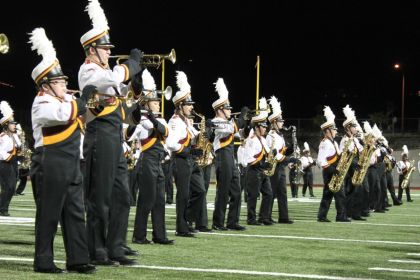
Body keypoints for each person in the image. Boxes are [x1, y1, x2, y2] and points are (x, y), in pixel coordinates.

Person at [79, 0, 141, 265]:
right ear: (92, 49)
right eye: (104, 49)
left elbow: (122, 94)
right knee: (100, 197)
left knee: (122, 196)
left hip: (114, 136)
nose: (108, 52)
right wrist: (133, 64)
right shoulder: (89, 69)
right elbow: (114, 80)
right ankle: (97, 249)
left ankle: (116, 245)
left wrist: (134, 81)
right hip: (99, 135)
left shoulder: (105, 69)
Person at [29, 27, 95, 274]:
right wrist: (82, 99)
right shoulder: (42, 102)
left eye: (64, 81)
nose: (64, 85)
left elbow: (85, 117)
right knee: (49, 214)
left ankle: (78, 259)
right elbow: (64, 114)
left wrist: (103, 103)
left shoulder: (66, 100)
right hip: (50, 161)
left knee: (76, 213)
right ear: (45, 85)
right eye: (58, 81)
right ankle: (43, 260)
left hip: (72, 161)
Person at [131, 69, 174, 245]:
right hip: (147, 160)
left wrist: (151, 117)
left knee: (159, 200)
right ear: (148, 103)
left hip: (157, 162)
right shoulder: (140, 119)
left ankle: (159, 235)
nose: (158, 104)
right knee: (146, 200)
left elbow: (164, 131)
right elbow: (134, 133)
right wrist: (142, 113)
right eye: (155, 101)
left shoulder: (159, 119)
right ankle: (139, 236)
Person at [166, 71, 209, 237]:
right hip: (181, 161)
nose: (191, 107)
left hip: (191, 161)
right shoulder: (175, 122)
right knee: (183, 195)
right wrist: (189, 150)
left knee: (200, 191)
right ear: (179, 106)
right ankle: (181, 227)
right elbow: (171, 144)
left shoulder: (187, 122)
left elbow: (195, 137)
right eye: (188, 104)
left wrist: (206, 133)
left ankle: (188, 219)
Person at [209, 78, 248, 231]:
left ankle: (233, 221)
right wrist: (241, 118)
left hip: (230, 158)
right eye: (227, 108)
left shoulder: (227, 122)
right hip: (222, 157)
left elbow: (239, 133)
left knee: (236, 191)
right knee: (223, 191)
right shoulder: (216, 122)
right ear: (220, 109)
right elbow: (231, 128)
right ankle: (218, 222)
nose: (230, 110)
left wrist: (247, 124)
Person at [265, 96, 296, 224]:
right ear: (274, 122)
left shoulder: (280, 135)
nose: (283, 123)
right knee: (271, 192)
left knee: (282, 192)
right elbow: (274, 154)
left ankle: (283, 217)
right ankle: (266, 216)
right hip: (274, 166)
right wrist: (288, 159)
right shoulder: (271, 136)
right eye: (280, 121)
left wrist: (291, 149)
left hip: (281, 166)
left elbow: (282, 151)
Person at [316, 106, 349, 223]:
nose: (336, 131)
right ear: (328, 131)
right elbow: (320, 160)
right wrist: (332, 170)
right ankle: (340, 216)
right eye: (334, 129)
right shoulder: (325, 143)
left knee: (328, 194)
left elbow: (338, 155)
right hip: (329, 171)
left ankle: (322, 215)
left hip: (334, 170)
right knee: (339, 194)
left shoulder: (334, 142)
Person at [244, 98, 273, 225]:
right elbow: (250, 160)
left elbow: (268, 152)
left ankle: (264, 217)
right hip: (254, 171)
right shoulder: (252, 139)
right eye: (263, 126)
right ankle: (251, 219)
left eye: (266, 125)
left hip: (262, 171)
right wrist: (263, 164)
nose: (265, 128)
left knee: (269, 194)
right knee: (253, 196)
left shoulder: (262, 139)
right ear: (256, 127)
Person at [339, 105, 365, 220]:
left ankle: (355, 213)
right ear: (348, 128)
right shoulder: (345, 140)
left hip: (356, 165)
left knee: (357, 191)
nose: (356, 128)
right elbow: (344, 154)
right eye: (354, 126)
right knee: (351, 191)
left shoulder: (355, 139)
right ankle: (348, 213)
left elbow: (361, 150)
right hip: (349, 168)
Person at [0, 101, 21, 216]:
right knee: (7, 187)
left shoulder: (14, 136)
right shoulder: (2, 137)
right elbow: (0, 151)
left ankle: (2, 207)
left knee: (12, 187)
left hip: (13, 163)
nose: (15, 125)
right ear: (6, 124)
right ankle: (3, 209)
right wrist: (9, 157)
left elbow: (19, 146)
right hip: (5, 163)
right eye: (12, 124)